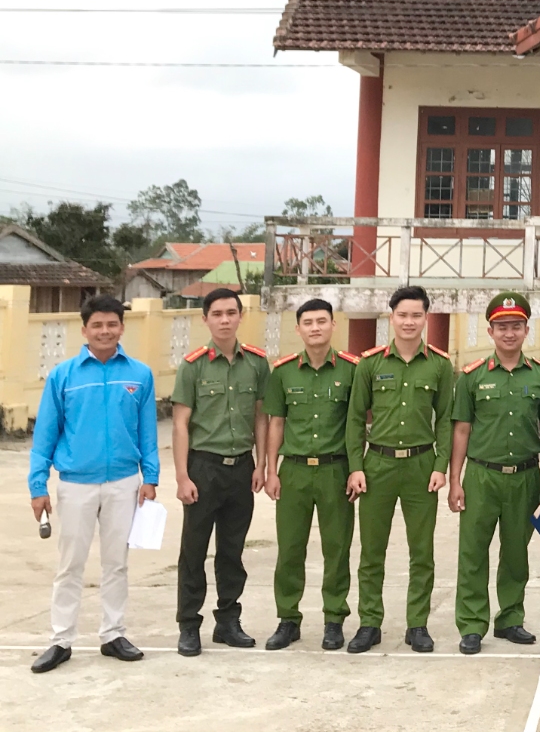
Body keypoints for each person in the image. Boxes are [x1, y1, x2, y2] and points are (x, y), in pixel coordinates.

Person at [28, 295, 158, 673]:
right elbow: (45, 437)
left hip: (123, 483)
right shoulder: (63, 376)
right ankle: (61, 639)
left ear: (122, 327)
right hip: (75, 485)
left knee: (117, 563)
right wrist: (38, 486)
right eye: (97, 325)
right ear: (84, 330)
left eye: (112, 324)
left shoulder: (139, 374)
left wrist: (150, 478)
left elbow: (147, 433)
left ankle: (113, 634)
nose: (105, 331)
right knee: (70, 564)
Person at [344, 285, 453, 655]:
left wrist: (442, 466)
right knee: (372, 552)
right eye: (402, 315)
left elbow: (447, 421)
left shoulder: (440, 365)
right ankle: (369, 623)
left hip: (422, 467)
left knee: (421, 552)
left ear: (426, 318)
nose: (409, 322)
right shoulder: (370, 364)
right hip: (378, 466)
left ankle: (417, 624)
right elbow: (355, 419)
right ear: (391, 317)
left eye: (416, 315)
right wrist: (356, 467)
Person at [450, 292, 540, 655]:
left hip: (525, 476)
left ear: (526, 329)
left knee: (516, 552)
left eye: (516, 326)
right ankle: (472, 624)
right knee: (473, 552)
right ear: (491, 331)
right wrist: (454, 481)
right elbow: (461, 430)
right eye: (502, 327)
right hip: (481, 476)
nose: (509, 333)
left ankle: (510, 618)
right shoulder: (472, 378)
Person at [171, 287, 269, 657]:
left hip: (240, 468)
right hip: (203, 467)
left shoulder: (257, 363)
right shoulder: (193, 365)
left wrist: (260, 463)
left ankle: (228, 621)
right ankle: (188, 624)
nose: (225, 320)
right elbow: (180, 424)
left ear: (240, 316)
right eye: (217, 314)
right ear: (206, 319)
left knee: (232, 550)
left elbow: (261, 416)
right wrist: (182, 476)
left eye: (231, 313)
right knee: (193, 551)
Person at [262, 298, 359, 652]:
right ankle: (288, 619)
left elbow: (361, 422)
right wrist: (272, 470)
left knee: (337, 549)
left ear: (334, 325)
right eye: (308, 322)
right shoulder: (283, 371)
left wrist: (356, 468)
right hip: (295, 472)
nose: (315, 327)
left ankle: (334, 619)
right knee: (290, 549)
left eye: (322, 321)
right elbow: (276, 422)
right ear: (298, 329)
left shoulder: (352, 370)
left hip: (336, 470)